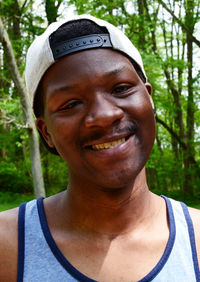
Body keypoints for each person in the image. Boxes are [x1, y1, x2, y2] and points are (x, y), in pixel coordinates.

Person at [0, 14, 200, 282]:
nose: (104, 115)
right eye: (70, 104)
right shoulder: (8, 247)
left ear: (149, 99)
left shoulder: (196, 240)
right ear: (46, 132)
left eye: (120, 88)